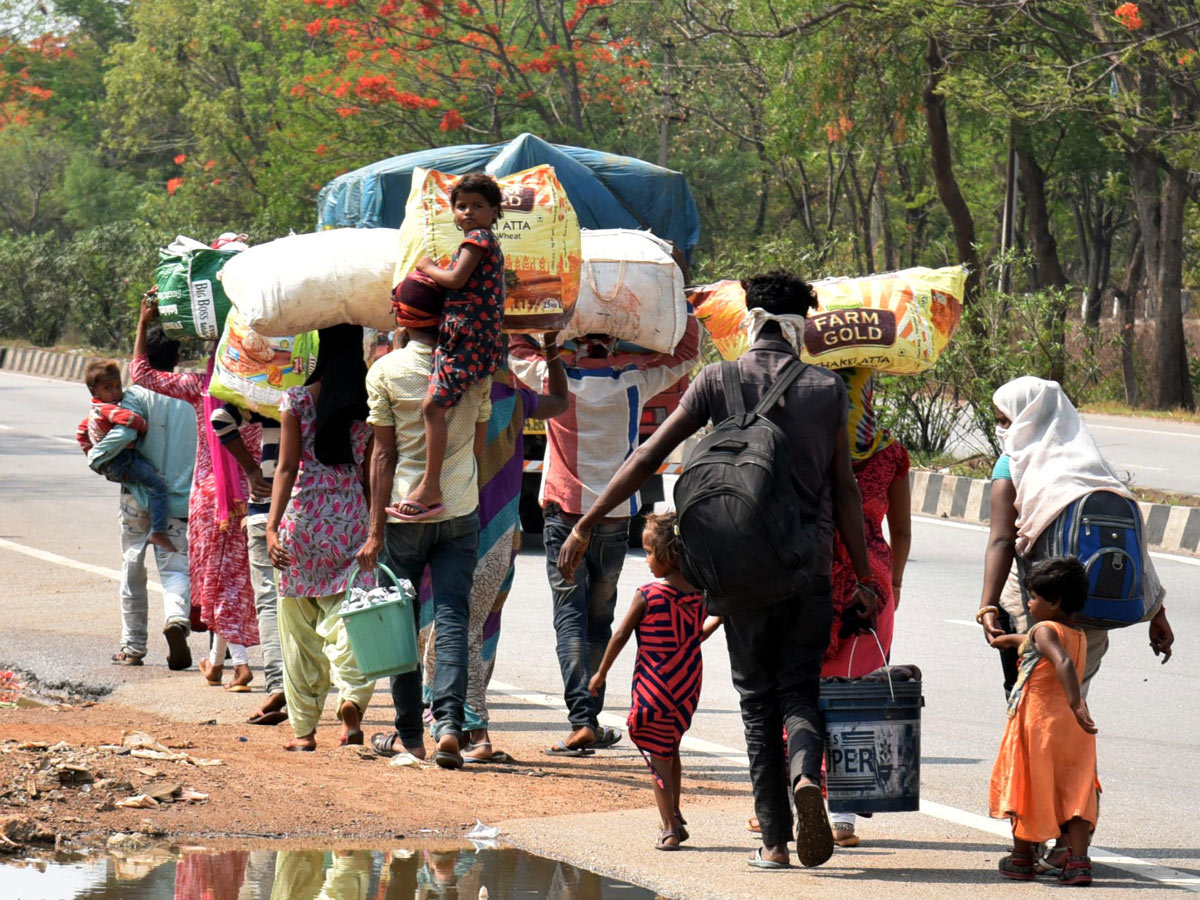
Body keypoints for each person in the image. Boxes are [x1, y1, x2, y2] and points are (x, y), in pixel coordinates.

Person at [557, 270, 875, 870]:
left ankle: (775, 845)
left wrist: (586, 522)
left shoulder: (716, 379)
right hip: (806, 564)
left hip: (736, 569)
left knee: (757, 702)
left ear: (748, 319)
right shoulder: (826, 388)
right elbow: (846, 489)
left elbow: (648, 455)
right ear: (805, 324)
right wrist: (863, 576)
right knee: (799, 689)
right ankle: (807, 776)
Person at [510, 318, 700, 755]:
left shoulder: (550, 377)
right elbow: (687, 353)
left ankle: (581, 719)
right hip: (614, 520)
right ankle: (588, 717)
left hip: (564, 518)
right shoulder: (634, 382)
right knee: (599, 619)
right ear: (613, 345)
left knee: (569, 619)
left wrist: (545, 333)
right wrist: (684, 307)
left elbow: (514, 349)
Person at [418, 346, 569, 762]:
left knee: (442, 622)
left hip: (449, 521)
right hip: (503, 530)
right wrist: (553, 353)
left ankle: (463, 724)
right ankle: (468, 726)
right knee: (481, 625)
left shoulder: (444, 394)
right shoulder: (514, 397)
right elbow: (561, 401)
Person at [978, 376, 1174, 695]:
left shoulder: (1012, 465)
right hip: (1089, 610)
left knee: (1030, 699)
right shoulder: (1093, 465)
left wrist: (987, 607)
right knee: (1072, 701)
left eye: (1006, 421)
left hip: (1032, 606)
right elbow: (1133, 544)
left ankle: (1034, 748)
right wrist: (1156, 613)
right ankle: (1071, 747)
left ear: (1028, 419)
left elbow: (1001, 540)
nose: (1002, 431)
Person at [358, 316, 492, 769]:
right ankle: (450, 727)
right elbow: (476, 446)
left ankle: (410, 737)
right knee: (454, 616)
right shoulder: (476, 369)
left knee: (401, 623)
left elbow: (383, 454)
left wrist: (375, 529)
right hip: (459, 510)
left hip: (404, 514)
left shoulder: (386, 371)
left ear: (405, 322)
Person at [132, 296, 259, 680]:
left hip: (213, 497)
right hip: (258, 492)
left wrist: (143, 322)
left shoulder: (201, 386)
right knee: (237, 579)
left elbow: (141, 373)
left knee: (217, 580)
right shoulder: (266, 388)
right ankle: (216, 663)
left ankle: (240, 664)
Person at [266, 324, 375, 752]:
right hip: (350, 524)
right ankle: (350, 697)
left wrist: (273, 527)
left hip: (304, 525)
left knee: (297, 633)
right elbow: (370, 473)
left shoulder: (296, 400)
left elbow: (286, 468)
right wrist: (373, 528)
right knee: (350, 619)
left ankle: (304, 731)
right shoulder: (365, 406)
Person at [587, 512, 722, 850]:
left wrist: (601, 672)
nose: (646, 560)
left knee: (659, 756)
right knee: (670, 747)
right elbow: (696, 635)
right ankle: (674, 814)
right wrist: (720, 617)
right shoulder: (697, 596)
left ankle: (669, 828)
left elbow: (619, 635)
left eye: (649, 552)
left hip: (655, 685)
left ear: (667, 555)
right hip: (687, 685)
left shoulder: (647, 595)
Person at [821, 367, 912, 848]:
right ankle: (844, 817)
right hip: (871, 589)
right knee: (855, 698)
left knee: (797, 690)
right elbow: (902, 530)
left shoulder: (809, 440)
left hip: (812, 578)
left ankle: (793, 793)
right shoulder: (890, 451)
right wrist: (892, 584)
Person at [390, 172, 507, 523]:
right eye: (461, 206)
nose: (468, 212)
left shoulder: (479, 241)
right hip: (467, 337)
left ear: (494, 211)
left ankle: (430, 486)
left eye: (477, 206)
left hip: (467, 338)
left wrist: (426, 267)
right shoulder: (480, 243)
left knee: (432, 407)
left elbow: (456, 280)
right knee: (454, 409)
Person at [87, 331, 196, 668]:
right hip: (180, 501)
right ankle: (177, 618)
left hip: (137, 498)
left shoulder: (135, 395)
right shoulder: (193, 395)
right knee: (176, 568)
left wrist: (97, 456)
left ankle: (133, 647)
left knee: (132, 569)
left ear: (143, 359)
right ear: (177, 359)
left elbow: (126, 432)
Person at [989, 557, 1099, 886]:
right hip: (1073, 727)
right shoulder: (1075, 632)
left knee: (1027, 784)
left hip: (1039, 722)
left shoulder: (1044, 630)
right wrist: (1008, 639)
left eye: (1033, 597)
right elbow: (1044, 647)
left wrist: (1074, 701)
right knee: (1076, 789)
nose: (1028, 602)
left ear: (1055, 602)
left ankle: (1022, 856)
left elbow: (1060, 660)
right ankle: (1078, 862)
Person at [210, 402, 286, 725]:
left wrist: (253, 470)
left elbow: (221, 418)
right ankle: (339, 691)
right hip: (323, 510)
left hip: (267, 507)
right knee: (321, 605)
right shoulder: (348, 389)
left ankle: (279, 683)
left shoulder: (273, 393)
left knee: (270, 602)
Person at [77, 360, 175, 554]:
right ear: (94, 391)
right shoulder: (107, 409)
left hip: (115, 462)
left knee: (145, 480)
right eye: (108, 388)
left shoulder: (96, 410)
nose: (115, 392)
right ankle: (159, 531)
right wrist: (143, 426)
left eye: (118, 386)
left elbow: (81, 432)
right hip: (120, 461)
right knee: (158, 485)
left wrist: (93, 454)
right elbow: (131, 419)